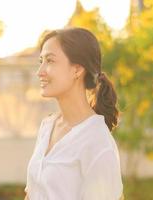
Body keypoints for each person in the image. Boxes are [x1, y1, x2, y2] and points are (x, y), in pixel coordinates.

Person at [24, 27, 124, 200]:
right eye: (41, 61)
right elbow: (32, 193)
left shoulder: (97, 141)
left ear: (77, 70)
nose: (40, 71)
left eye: (50, 61)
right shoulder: (48, 127)